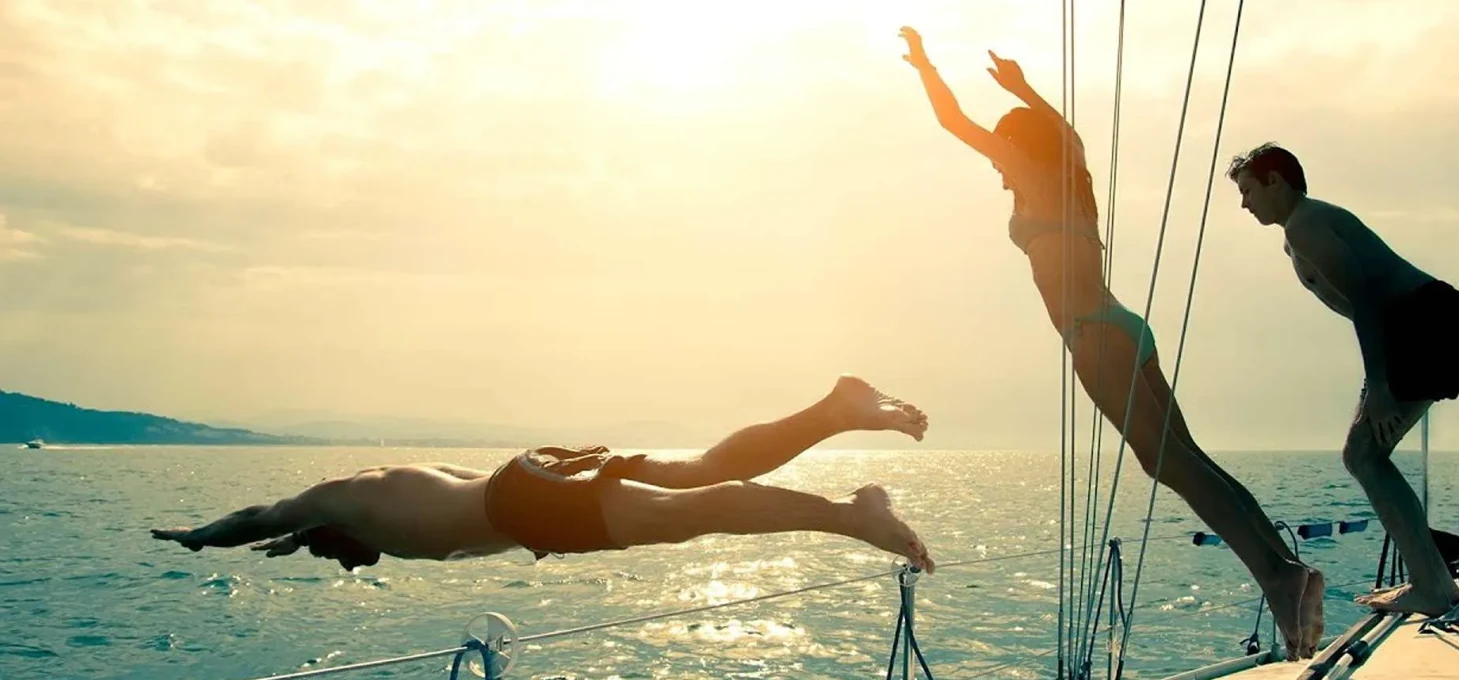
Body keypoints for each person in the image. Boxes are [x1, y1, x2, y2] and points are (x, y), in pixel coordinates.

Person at [897, 27, 1324, 657]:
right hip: (1125, 325)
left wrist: (925, 65)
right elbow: (1066, 131)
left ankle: (1279, 579)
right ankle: (1288, 569)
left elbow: (953, 121)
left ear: (1016, 149)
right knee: (1189, 459)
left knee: (1170, 463)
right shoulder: (1074, 173)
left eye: (1001, 157)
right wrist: (1023, 90)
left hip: (1095, 336)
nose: (997, 169)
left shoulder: (1034, 174)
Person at [151, 375, 936, 574]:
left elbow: (264, 514)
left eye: (335, 557)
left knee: (695, 511)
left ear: (333, 532)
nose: (352, 567)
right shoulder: (379, 495)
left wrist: (200, 536)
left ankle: (850, 516)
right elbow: (288, 528)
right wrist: (295, 538)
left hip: (523, 504)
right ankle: (834, 410)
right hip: (532, 472)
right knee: (702, 472)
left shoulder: (344, 500)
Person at [1227, 142, 1459, 616]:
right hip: (1418, 324)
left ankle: (1431, 585)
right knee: (1363, 455)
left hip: (1425, 321)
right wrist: (1375, 383)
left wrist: (1379, 386)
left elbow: (1366, 298)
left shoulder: (1305, 225)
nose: (1244, 203)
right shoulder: (1298, 232)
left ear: (1274, 181)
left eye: (1247, 190)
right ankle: (1434, 583)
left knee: (1363, 455)